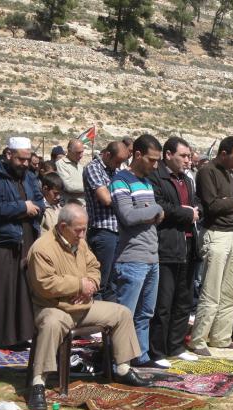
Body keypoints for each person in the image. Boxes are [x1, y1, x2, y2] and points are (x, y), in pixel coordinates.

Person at [25, 203, 149, 410]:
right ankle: (38, 383)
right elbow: (45, 284)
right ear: (63, 226)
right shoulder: (42, 248)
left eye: (85, 229)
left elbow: (94, 267)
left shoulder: (80, 243)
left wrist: (89, 285)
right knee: (51, 324)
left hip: (82, 305)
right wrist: (78, 285)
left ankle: (123, 368)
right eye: (78, 230)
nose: (82, 235)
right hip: (55, 307)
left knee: (122, 313)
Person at [0, 137, 44, 348]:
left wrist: (32, 207)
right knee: (3, 291)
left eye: (27, 160)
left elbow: (40, 202)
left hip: (26, 238)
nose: (25, 164)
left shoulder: (29, 176)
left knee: (23, 291)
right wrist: (22, 208)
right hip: (3, 241)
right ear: (8, 155)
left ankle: (20, 335)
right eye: (21, 160)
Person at [109, 134, 164, 367]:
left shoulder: (148, 183)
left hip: (151, 255)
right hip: (132, 257)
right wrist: (155, 210)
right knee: (125, 315)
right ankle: (118, 362)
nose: (156, 165)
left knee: (145, 313)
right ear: (138, 155)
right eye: (152, 160)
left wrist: (152, 212)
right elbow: (128, 215)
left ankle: (140, 356)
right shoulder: (120, 181)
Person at [189, 137, 233, 355]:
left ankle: (221, 337)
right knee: (211, 291)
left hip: (231, 234)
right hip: (216, 235)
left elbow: (224, 202)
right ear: (223, 153)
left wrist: (228, 201)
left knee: (229, 292)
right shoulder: (207, 171)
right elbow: (212, 205)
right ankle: (199, 339)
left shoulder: (227, 173)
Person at [149, 137, 201, 361]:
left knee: (184, 299)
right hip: (167, 245)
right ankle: (158, 349)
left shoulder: (187, 179)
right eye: (183, 156)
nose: (188, 160)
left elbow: (197, 203)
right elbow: (160, 206)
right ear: (168, 155)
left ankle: (176, 346)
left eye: (189, 156)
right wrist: (187, 213)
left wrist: (194, 211)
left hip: (189, 244)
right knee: (164, 302)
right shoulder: (157, 176)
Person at [83, 141, 130, 301]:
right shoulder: (93, 168)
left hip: (118, 230)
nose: (119, 165)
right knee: (101, 281)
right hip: (103, 230)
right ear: (108, 155)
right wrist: (125, 198)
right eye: (117, 161)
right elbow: (106, 199)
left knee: (114, 281)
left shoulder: (115, 170)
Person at [56, 139, 86, 205]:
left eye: (82, 152)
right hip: (71, 206)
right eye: (78, 153)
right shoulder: (61, 164)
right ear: (69, 151)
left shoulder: (79, 165)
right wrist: (88, 187)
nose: (81, 155)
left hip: (84, 204)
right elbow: (68, 186)